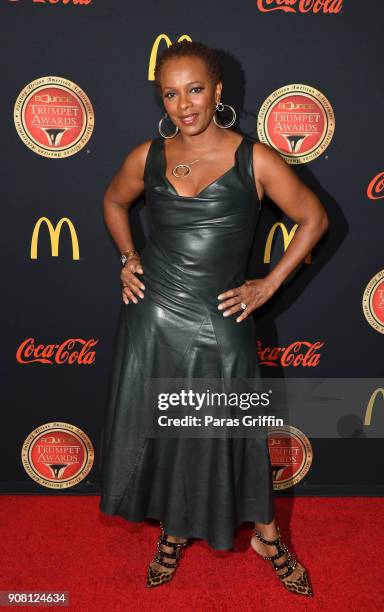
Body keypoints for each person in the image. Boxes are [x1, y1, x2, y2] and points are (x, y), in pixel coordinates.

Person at [99, 40, 328, 596]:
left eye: (195, 89)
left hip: (221, 319)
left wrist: (269, 283)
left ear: (218, 91)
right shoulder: (146, 157)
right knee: (168, 428)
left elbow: (313, 217)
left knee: (235, 429)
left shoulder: (257, 158)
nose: (185, 105)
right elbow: (112, 202)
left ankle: (267, 535)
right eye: (171, 93)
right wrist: (129, 257)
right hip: (152, 316)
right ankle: (174, 530)